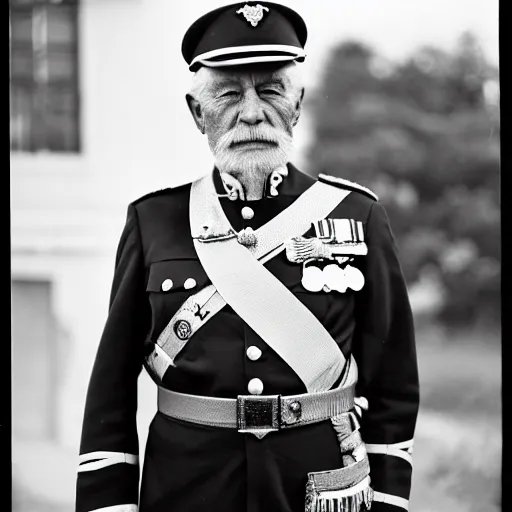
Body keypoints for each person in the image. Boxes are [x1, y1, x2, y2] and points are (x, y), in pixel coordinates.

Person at [75, 2, 419, 512]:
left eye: (272, 90)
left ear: (297, 104)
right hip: (187, 489)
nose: (252, 112)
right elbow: (111, 390)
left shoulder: (358, 215)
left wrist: (389, 503)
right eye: (230, 94)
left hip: (316, 487)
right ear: (198, 113)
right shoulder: (154, 221)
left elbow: (392, 386)